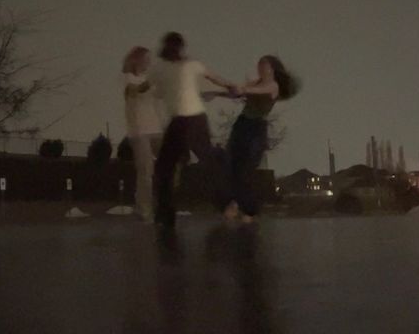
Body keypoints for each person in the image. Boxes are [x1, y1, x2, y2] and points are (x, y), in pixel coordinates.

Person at [149, 32, 237, 228]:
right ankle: (166, 213)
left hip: (189, 119)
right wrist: (228, 86)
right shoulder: (181, 65)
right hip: (187, 120)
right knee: (173, 165)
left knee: (171, 166)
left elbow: (213, 78)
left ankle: (166, 213)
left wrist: (228, 87)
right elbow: (214, 78)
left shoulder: (176, 66)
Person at [222, 56, 300, 223]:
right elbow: (237, 92)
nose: (260, 68)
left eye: (264, 65)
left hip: (256, 128)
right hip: (242, 124)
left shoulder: (273, 86)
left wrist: (243, 89)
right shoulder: (255, 84)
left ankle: (248, 210)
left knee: (247, 167)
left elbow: (252, 91)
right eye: (259, 65)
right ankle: (237, 204)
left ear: (272, 68)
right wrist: (216, 93)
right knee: (233, 164)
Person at [122, 46, 163, 222]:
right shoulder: (127, 77)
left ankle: (162, 205)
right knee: (146, 169)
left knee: (169, 164)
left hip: (156, 129)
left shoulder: (150, 78)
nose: (149, 62)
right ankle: (144, 210)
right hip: (139, 131)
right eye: (146, 58)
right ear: (136, 59)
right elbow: (135, 90)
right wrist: (151, 81)